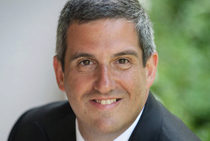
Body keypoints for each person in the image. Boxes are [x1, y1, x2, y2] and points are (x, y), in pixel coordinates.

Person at [8, 0, 200, 141]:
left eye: (122, 61)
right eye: (86, 62)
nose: (104, 85)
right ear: (60, 73)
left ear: (149, 69)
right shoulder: (30, 130)